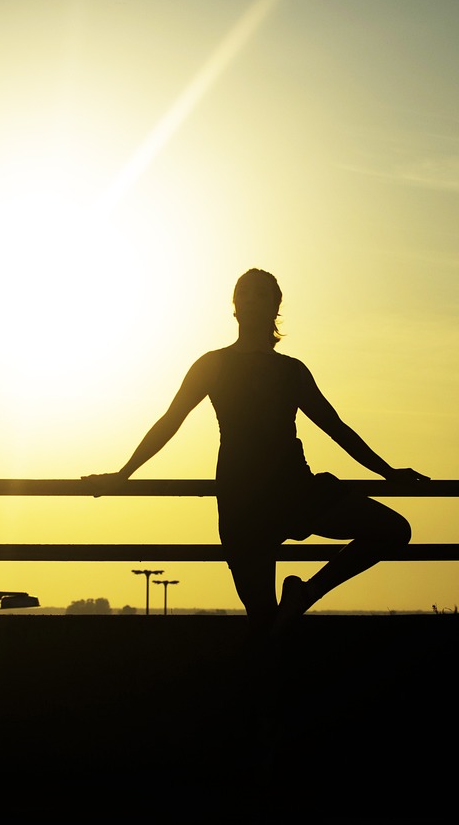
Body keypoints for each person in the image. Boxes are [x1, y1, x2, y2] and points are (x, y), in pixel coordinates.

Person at [82, 268, 429, 638]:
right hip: (241, 499)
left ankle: (307, 592)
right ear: (234, 305)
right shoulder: (211, 364)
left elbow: (337, 428)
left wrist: (388, 472)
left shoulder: (291, 371)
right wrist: (124, 474)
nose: (250, 299)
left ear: (275, 307)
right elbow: (170, 421)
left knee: (393, 529)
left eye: (261, 294)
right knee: (265, 625)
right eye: (243, 293)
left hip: (295, 489)